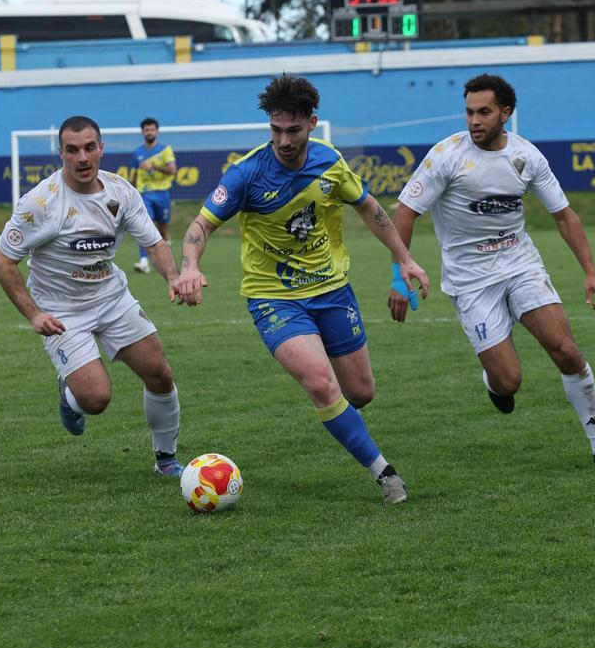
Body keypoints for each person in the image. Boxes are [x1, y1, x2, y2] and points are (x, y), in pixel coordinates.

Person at [174, 74, 430, 505]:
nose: (284, 140)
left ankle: (345, 421)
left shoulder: (330, 163)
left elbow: (370, 209)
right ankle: (385, 474)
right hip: (273, 296)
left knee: (361, 392)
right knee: (320, 383)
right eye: (276, 130)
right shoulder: (246, 173)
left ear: (312, 123)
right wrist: (189, 266)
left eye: (293, 130)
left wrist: (404, 259)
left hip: (332, 291)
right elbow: (200, 225)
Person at [389, 73, 595, 469]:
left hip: (520, 265)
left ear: (506, 113)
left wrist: (591, 272)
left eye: (484, 112)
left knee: (565, 350)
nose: (474, 120)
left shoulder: (527, 157)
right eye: (469, 112)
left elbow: (565, 216)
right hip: (470, 280)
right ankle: (494, 381)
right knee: (509, 382)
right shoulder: (446, 155)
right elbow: (404, 213)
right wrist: (399, 276)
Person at [0, 115, 188, 477]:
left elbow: (155, 243)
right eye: (72, 150)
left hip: (112, 298)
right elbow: (3, 263)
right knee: (96, 399)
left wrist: (173, 277)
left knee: (160, 374)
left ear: (101, 149)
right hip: (62, 311)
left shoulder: (121, 191)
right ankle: (70, 393)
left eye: (89, 148)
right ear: (61, 154)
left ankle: (166, 461)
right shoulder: (40, 204)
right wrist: (34, 314)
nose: (82, 157)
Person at [131, 117, 178, 273]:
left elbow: (172, 170)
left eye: (152, 129)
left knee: (163, 229)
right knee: (145, 225)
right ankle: (144, 261)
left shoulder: (166, 150)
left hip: (162, 193)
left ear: (156, 131)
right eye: (146, 129)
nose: (149, 132)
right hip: (144, 194)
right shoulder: (137, 152)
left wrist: (154, 167)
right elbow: (133, 175)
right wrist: (131, 191)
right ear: (143, 132)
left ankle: (167, 256)